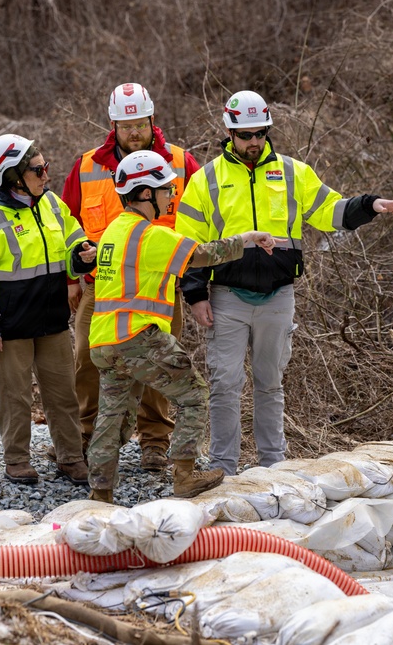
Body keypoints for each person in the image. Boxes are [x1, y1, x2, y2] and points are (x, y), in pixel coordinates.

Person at [175, 90, 393, 476]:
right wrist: (196, 294)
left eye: (260, 133)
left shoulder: (292, 172)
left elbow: (330, 210)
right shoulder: (206, 179)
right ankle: (224, 468)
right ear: (230, 133)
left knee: (270, 383)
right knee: (225, 384)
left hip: (278, 296)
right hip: (226, 297)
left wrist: (369, 205)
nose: (253, 142)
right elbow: (189, 243)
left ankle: (273, 467)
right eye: (245, 135)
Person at [86, 150, 277, 503]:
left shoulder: (114, 231)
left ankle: (100, 492)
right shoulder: (149, 235)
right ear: (146, 193)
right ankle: (185, 477)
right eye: (166, 189)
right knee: (194, 394)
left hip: (104, 341)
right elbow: (202, 255)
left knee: (112, 417)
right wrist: (248, 237)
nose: (171, 196)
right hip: (138, 337)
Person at [61, 82, 202, 471]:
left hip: (158, 289)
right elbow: (66, 224)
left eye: (140, 124)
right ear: (113, 125)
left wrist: (196, 286)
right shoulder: (87, 166)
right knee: (87, 361)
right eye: (126, 126)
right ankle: (85, 438)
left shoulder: (180, 163)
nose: (134, 132)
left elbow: (201, 221)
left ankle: (155, 442)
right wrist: (71, 279)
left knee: (161, 363)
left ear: (152, 119)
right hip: (101, 288)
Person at [0, 134, 96, 485]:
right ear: (12, 176)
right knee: (15, 397)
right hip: (9, 328)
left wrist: (82, 256)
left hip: (52, 320)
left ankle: (70, 458)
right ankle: (17, 460)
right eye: (37, 170)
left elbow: (73, 240)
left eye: (45, 167)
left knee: (63, 395)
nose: (46, 174)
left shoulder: (51, 203)